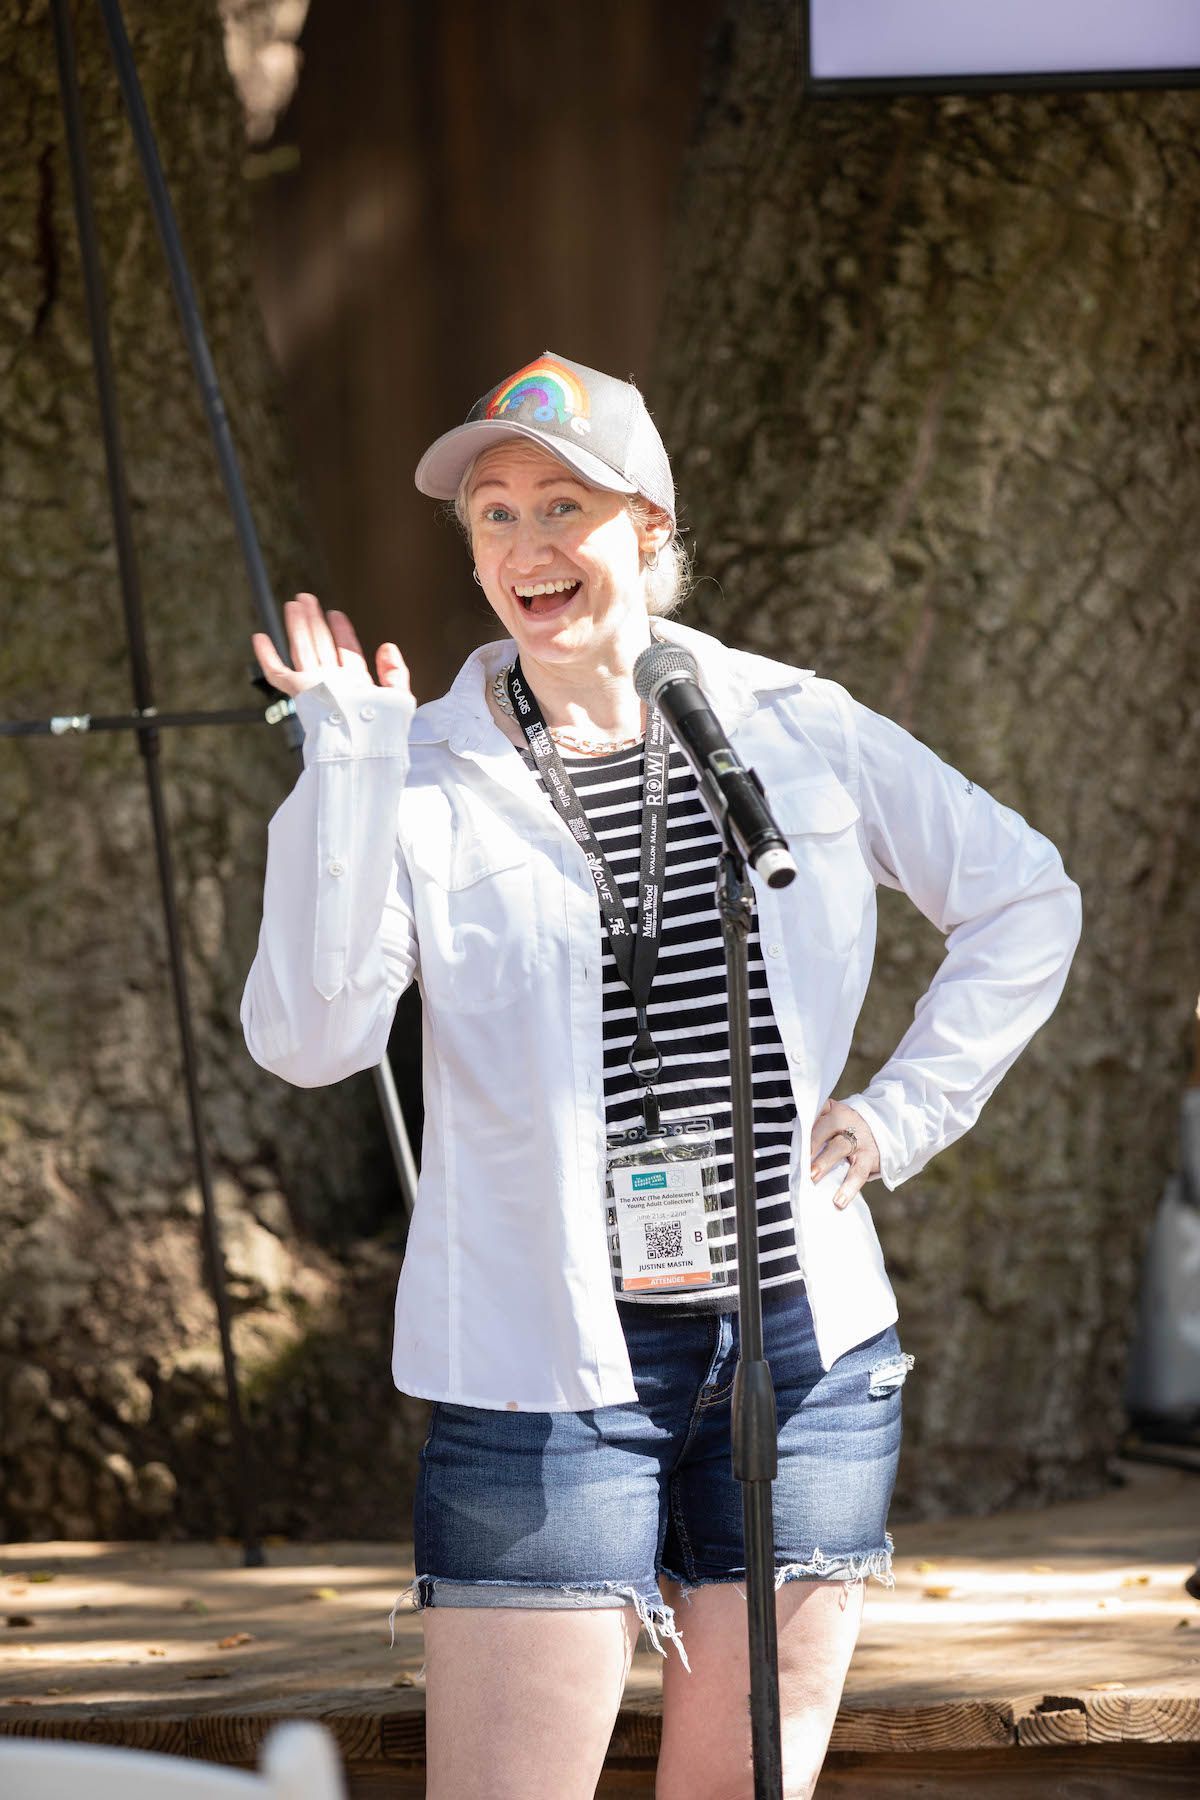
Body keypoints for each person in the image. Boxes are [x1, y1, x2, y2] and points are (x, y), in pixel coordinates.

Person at [242, 351, 1081, 1799]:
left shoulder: (794, 725)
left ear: (650, 529)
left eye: (561, 504)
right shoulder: (417, 772)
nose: (523, 546)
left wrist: (899, 1117)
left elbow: (1027, 897)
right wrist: (348, 784)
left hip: (802, 1364)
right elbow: (309, 1043)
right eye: (492, 516)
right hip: (543, 1376)